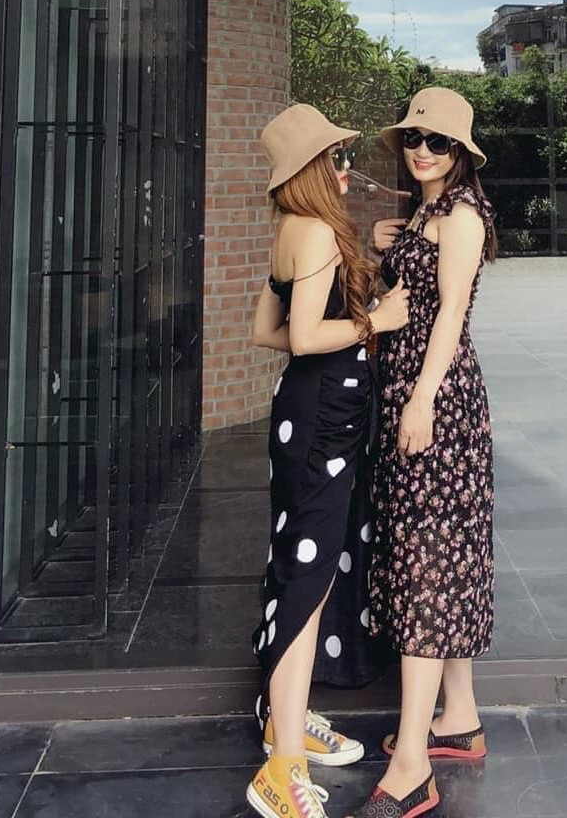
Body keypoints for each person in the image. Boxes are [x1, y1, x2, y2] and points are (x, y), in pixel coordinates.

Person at [246, 104, 410, 818]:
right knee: (307, 582)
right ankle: (280, 770)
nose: (345, 168)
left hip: (310, 418)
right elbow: (307, 336)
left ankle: (282, 723)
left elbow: (266, 330)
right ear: (310, 169)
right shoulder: (312, 232)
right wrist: (379, 320)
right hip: (321, 426)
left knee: (301, 570)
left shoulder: (296, 230)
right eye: (335, 159)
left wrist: (362, 259)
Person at [352, 88, 498, 818]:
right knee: (439, 552)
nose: (422, 150)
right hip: (414, 392)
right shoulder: (425, 212)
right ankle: (458, 717)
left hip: (436, 400)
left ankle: (412, 764)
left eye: (438, 142)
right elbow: (413, 290)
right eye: (414, 137)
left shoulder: (462, 215)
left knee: (426, 563)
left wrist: (421, 400)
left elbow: (450, 313)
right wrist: (390, 246)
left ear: (461, 153)